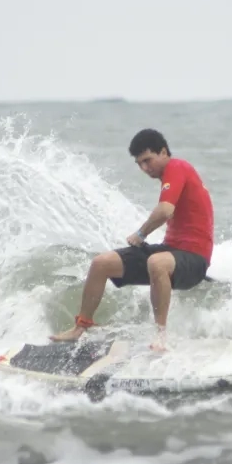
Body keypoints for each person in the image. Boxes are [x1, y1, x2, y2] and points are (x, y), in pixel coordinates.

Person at [49, 128, 214, 351]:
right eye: (139, 164)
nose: (145, 168)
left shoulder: (177, 167)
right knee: (101, 263)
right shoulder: (170, 176)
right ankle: (81, 326)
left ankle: (161, 336)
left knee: (156, 262)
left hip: (195, 259)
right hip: (172, 251)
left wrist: (141, 234)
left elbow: (165, 210)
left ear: (164, 152)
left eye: (148, 160)